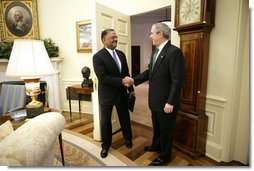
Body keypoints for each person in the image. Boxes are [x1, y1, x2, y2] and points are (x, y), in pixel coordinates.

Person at [125, 22, 185, 166]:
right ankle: (157, 145)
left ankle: (165, 155)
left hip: (166, 102)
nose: (150, 36)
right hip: (155, 101)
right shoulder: (155, 51)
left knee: (166, 130)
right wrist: (134, 80)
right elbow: (149, 73)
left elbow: (177, 81)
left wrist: (170, 102)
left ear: (160, 34)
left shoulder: (174, 52)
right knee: (157, 127)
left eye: (152, 33)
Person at [93, 29, 135, 158]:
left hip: (122, 93)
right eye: (112, 37)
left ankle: (128, 139)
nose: (115, 39)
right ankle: (106, 146)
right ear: (104, 40)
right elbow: (103, 77)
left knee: (125, 118)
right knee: (105, 121)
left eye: (116, 37)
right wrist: (122, 81)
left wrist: (131, 89)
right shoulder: (98, 57)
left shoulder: (121, 54)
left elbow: (126, 73)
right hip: (107, 95)